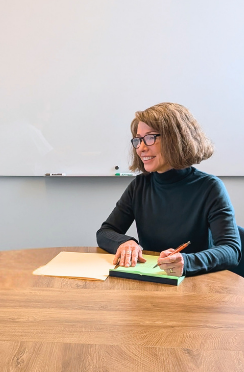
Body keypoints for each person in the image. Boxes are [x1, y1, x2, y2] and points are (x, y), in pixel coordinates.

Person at [97, 103, 241, 276]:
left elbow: (231, 250)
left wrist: (187, 262)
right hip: (152, 279)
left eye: (150, 138)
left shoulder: (210, 187)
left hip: (195, 285)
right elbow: (105, 232)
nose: (141, 148)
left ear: (176, 139)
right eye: (138, 140)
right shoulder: (140, 185)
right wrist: (125, 242)